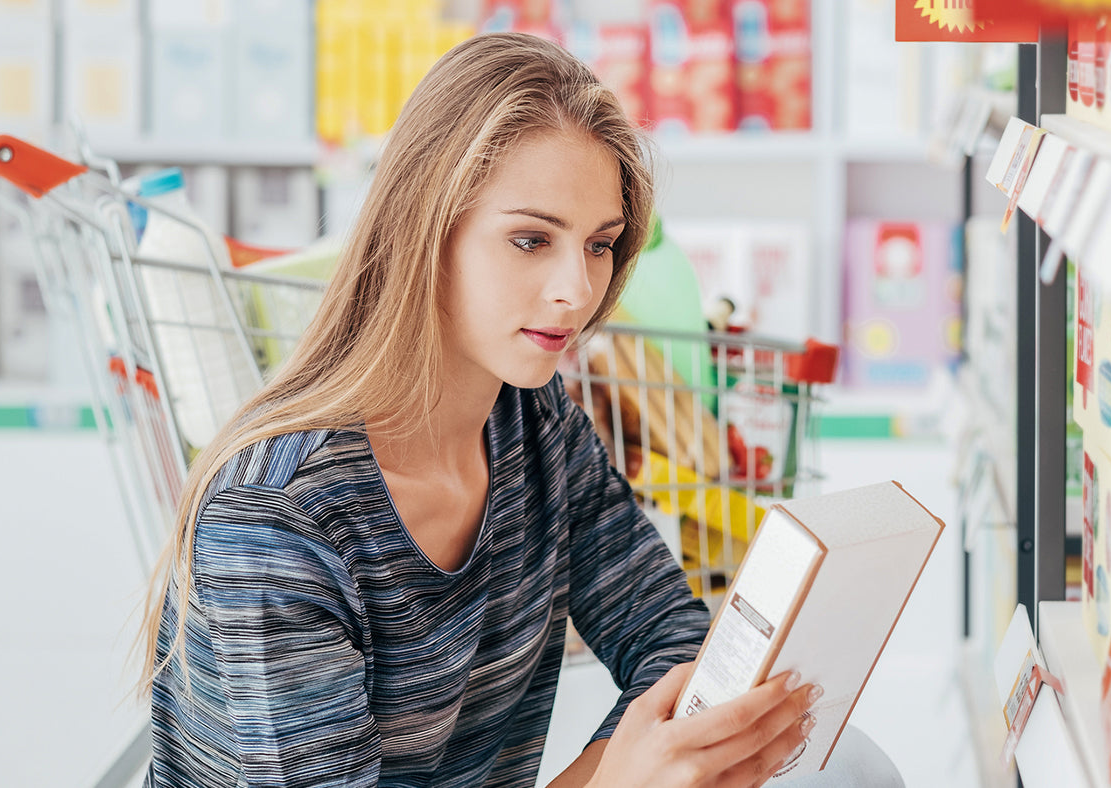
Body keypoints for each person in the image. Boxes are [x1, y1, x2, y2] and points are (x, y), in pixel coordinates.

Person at [137, 32, 823, 788]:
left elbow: (671, 638)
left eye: (599, 245)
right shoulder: (275, 517)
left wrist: (642, 766)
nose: (577, 291)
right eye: (530, 240)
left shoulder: (534, 426)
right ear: (424, 230)